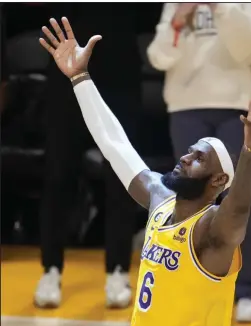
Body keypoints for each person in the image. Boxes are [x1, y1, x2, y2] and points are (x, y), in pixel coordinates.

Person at [39, 17, 251, 326]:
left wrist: (249, 152)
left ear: (216, 182)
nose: (185, 157)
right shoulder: (161, 199)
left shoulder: (211, 232)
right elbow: (115, 145)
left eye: (198, 159)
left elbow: (240, 205)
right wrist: (80, 80)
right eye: (189, 150)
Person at [146, 2, 251, 322]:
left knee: (235, 198)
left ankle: (248, 288)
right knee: (188, 197)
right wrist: (176, 23)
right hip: (185, 105)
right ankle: (188, 284)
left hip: (234, 104)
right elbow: (158, 57)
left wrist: (220, 7)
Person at [34, 4, 141, 309]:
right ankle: (50, 269)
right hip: (64, 69)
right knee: (57, 175)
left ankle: (118, 270)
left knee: (121, 176)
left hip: (119, 72)